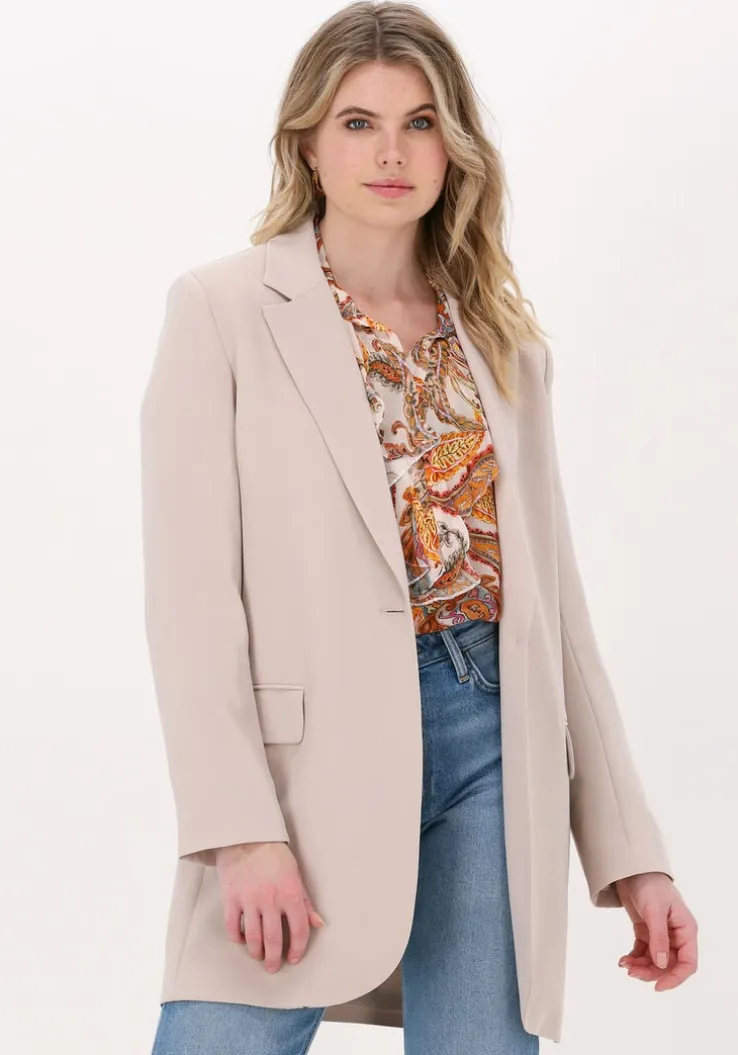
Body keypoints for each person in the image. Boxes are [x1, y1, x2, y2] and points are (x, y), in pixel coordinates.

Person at [140, 3, 698, 1053]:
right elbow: (190, 600)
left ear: (455, 146)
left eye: (421, 122)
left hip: (497, 743)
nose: (391, 153)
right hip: (303, 761)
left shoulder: (503, 342)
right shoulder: (221, 311)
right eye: (358, 123)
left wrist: (633, 852)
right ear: (309, 142)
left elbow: (559, 613)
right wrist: (240, 828)